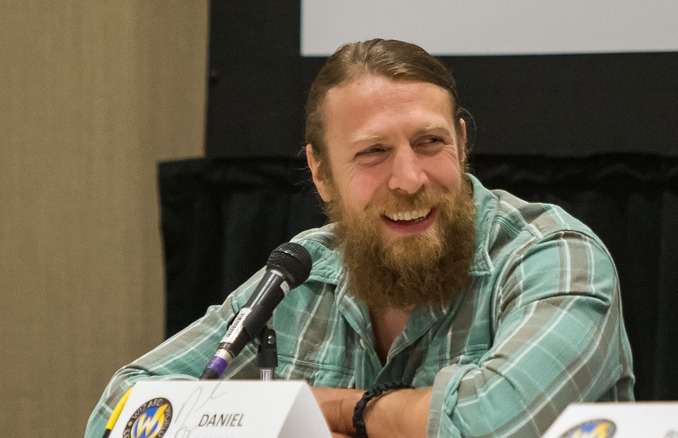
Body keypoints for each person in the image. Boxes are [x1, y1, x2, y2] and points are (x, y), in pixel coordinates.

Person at [86, 38, 634, 437]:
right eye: (373, 153)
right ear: (321, 173)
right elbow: (121, 413)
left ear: (462, 144)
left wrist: (325, 411)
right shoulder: (302, 274)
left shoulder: (554, 256)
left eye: (429, 142)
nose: (410, 179)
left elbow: (491, 425)